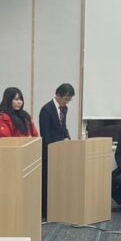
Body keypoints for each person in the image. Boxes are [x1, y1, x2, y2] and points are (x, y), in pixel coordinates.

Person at [38, 83, 75, 216]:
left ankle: (58, 208)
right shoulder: (46, 110)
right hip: (49, 151)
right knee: (48, 182)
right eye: (66, 99)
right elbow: (45, 134)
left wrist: (68, 138)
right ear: (58, 95)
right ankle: (46, 211)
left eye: (69, 99)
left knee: (59, 180)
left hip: (61, 151)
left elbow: (63, 127)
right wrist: (54, 149)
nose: (67, 102)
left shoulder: (64, 108)